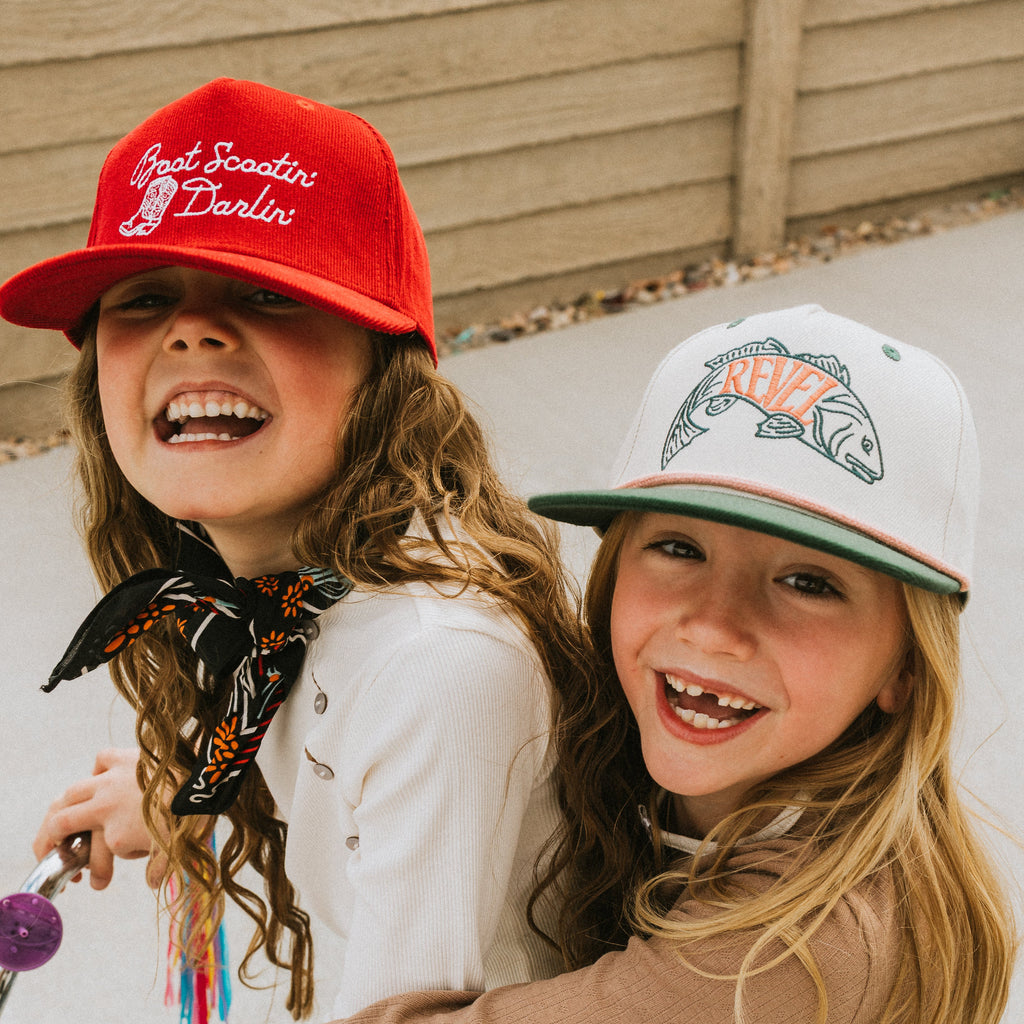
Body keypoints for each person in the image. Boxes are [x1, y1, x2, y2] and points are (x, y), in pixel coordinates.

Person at [0, 79, 586, 1021]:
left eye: (268, 293)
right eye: (144, 298)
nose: (190, 329)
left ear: (385, 362)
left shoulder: (438, 664)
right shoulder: (281, 584)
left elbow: (403, 1014)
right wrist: (180, 800)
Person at [332, 305, 1017, 1024]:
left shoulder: (792, 953)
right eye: (680, 548)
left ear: (905, 670)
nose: (715, 627)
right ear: (613, 572)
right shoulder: (638, 774)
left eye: (809, 583)